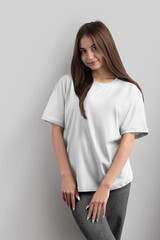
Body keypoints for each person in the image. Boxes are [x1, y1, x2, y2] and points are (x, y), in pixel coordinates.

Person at [42, 21, 148, 240]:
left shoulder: (129, 91)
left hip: (116, 183)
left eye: (94, 48)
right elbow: (56, 131)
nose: (89, 56)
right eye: (83, 51)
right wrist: (66, 176)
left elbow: (128, 140)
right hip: (79, 186)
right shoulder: (67, 85)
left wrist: (106, 187)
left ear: (106, 46)